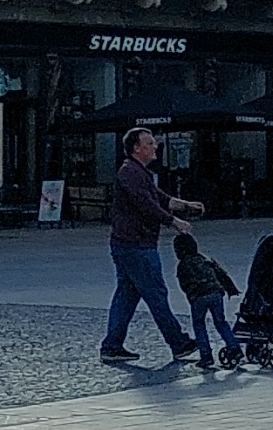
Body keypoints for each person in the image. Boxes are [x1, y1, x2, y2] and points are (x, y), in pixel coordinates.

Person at [99, 127, 205, 366]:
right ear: (136, 148)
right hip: (137, 246)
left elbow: (160, 198)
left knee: (126, 296)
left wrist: (186, 205)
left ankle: (112, 346)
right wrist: (174, 221)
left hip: (128, 245)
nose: (155, 146)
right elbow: (146, 204)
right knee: (156, 295)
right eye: (150, 143)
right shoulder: (130, 173)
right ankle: (178, 343)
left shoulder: (139, 173)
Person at [173, 231, 242, 369]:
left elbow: (184, 285)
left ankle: (206, 355)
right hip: (216, 293)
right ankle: (234, 348)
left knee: (199, 324)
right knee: (221, 322)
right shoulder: (203, 259)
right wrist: (229, 288)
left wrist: (191, 295)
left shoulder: (182, 265)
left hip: (198, 297)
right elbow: (220, 273)